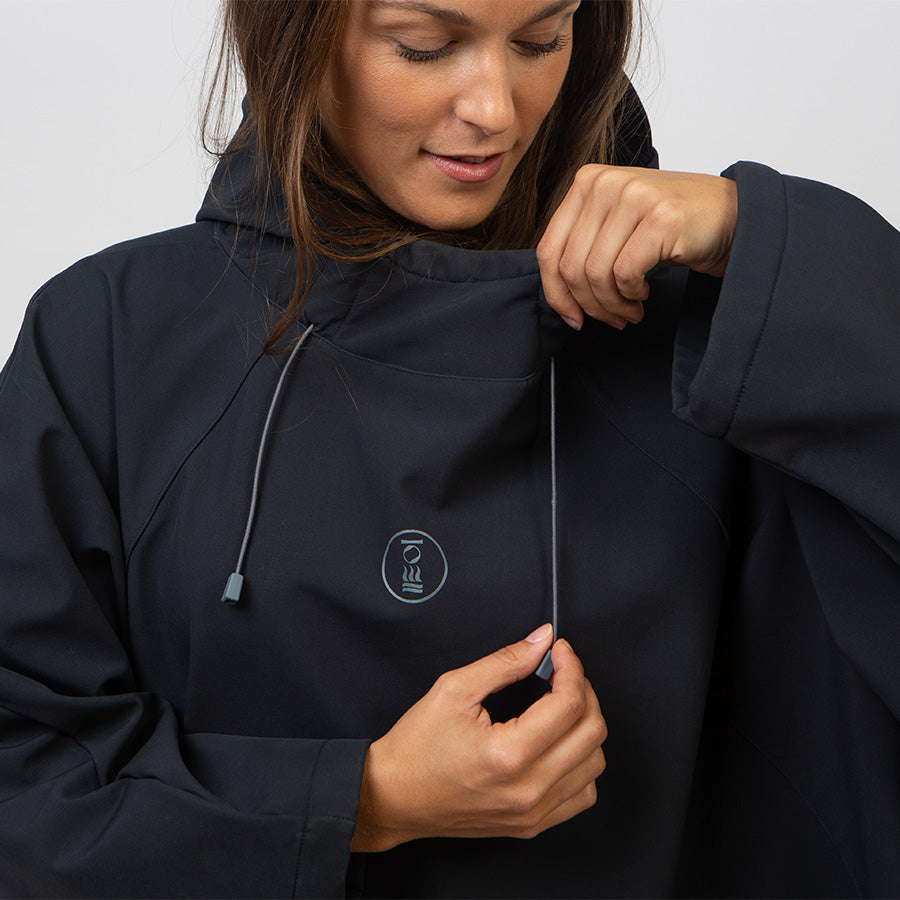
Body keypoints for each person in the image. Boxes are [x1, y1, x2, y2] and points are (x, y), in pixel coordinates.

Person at [1, 0, 898, 897]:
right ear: (294, 33)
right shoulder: (113, 337)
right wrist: (364, 800)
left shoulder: (716, 342)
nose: (495, 109)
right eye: (424, 47)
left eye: (540, 40)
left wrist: (767, 246)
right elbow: (25, 785)